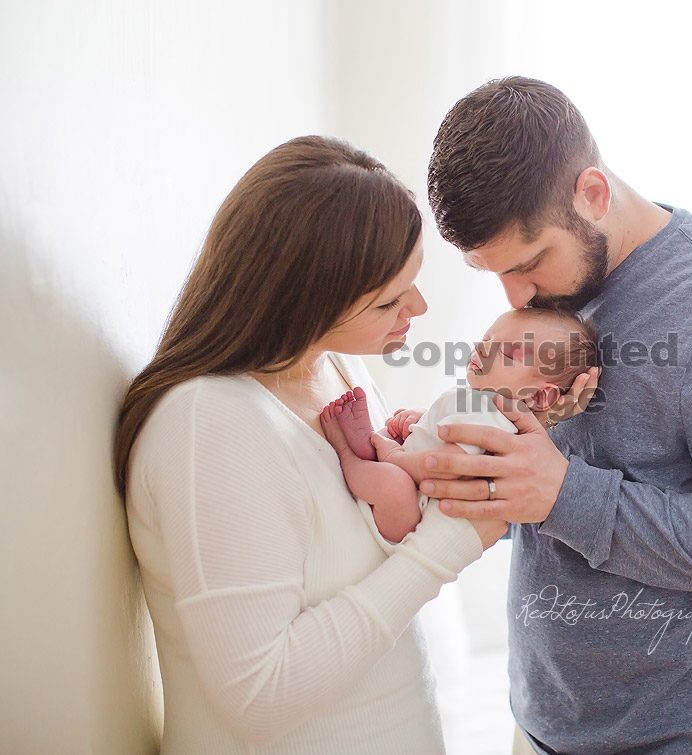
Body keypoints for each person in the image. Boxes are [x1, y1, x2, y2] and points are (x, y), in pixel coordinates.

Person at [423, 76, 692, 755]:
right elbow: (548, 503)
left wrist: (564, 494)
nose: (516, 294)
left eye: (528, 263)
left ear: (593, 193)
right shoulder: (556, 295)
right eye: (492, 274)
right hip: (541, 726)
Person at [112, 135, 508, 754]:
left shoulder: (336, 370)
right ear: (302, 300)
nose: (420, 307)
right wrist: (447, 547)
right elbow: (259, 696)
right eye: (389, 300)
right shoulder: (209, 423)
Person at [320, 308, 599, 543]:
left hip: (410, 514)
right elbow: (446, 433)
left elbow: (442, 468)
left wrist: (393, 454)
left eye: (509, 354)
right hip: (410, 477)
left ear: (539, 395)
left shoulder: (493, 418)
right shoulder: (479, 402)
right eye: (487, 339)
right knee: (392, 451)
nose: (483, 349)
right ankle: (370, 450)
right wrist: (421, 421)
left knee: (393, 484)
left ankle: (349, 454)